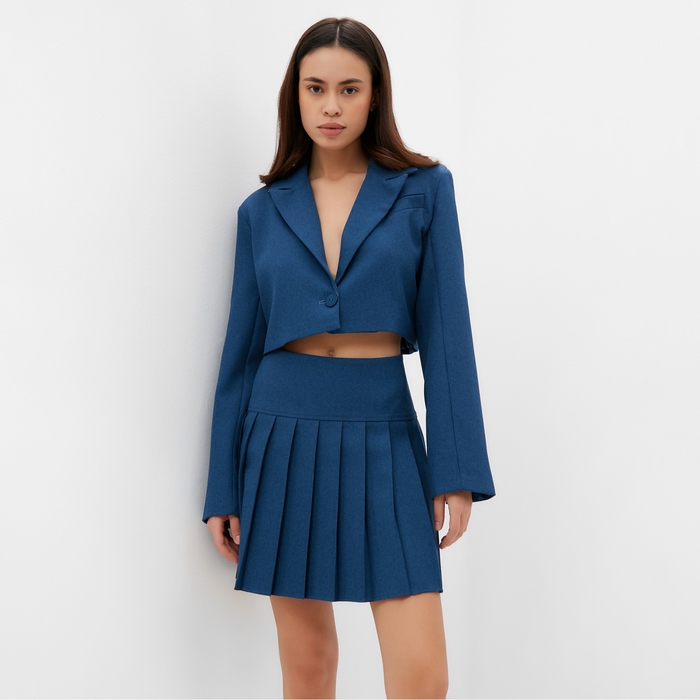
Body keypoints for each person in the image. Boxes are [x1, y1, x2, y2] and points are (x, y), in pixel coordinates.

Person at [202, 16, 496, 700]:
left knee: (422, 675)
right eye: (316, 88)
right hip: (280, 435)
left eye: (349, 89)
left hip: (384, 433)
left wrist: (455, 471)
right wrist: (224, 487)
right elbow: (239, 355)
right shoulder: (260, 212)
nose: (331, 106)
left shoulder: (424, 190)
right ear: (295, 96)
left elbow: (449, 334)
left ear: (374, 96)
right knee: (307, 666)